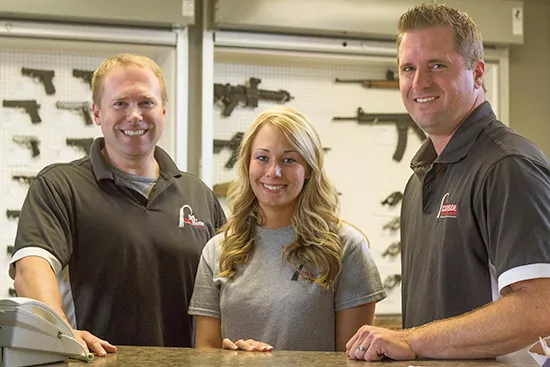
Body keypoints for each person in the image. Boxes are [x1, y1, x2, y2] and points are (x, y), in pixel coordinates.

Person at [346, 3, 550, 361]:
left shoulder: (507, 166)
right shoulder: (419, 179)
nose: (419, 82)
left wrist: (413, 340)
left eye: (437, 66)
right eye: (408, 68)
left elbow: (540, 307)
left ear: (477, 73)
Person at [9, 53, 226, 356]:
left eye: (146, 103)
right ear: (97, 113)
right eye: (120, 103)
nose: (134, 115)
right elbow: (31, 269)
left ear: (163, 110)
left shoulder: (198, 194)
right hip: (95, 362)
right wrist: (61, 332)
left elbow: (228, 283)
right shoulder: (59, 186)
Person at [188, 106, 386, 352]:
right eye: (262, 158)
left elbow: (351, 359)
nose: (273, 172)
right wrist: (228, 357)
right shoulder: (217, 250)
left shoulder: (345, 247)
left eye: (289, 160)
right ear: (247, 164)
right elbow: (204, 350)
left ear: (309, 170)